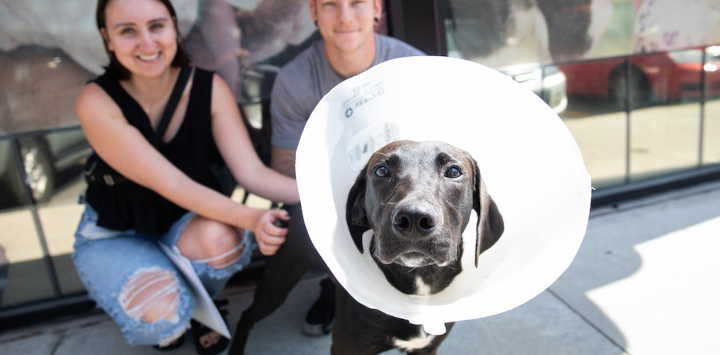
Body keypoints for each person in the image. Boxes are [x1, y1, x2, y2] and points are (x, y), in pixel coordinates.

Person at [71, 0, 300, 354]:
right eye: (128, 31)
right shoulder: (96, 101)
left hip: (184, 225)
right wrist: (253, 217)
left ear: (175, 28)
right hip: (117, 232)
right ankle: (175, 307)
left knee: (223, 236)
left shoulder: (210, 89)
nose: (147, 44)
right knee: (161, 314)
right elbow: (172, 183)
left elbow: (251, 172)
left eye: (157, 26)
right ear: (108, 38)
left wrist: (325, 194)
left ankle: (196, 308)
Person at [268, 0, 424, 336]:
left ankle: (413, 289)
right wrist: (335, 177)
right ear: (313, 12)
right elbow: (282, 163)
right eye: (330, 4)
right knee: (302, 219)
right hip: (332, 191)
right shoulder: (294, 79)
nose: (345, 16)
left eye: (357, 3)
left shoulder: (411, 67)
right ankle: (338, 288)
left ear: (377, 9)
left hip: (405, 188)